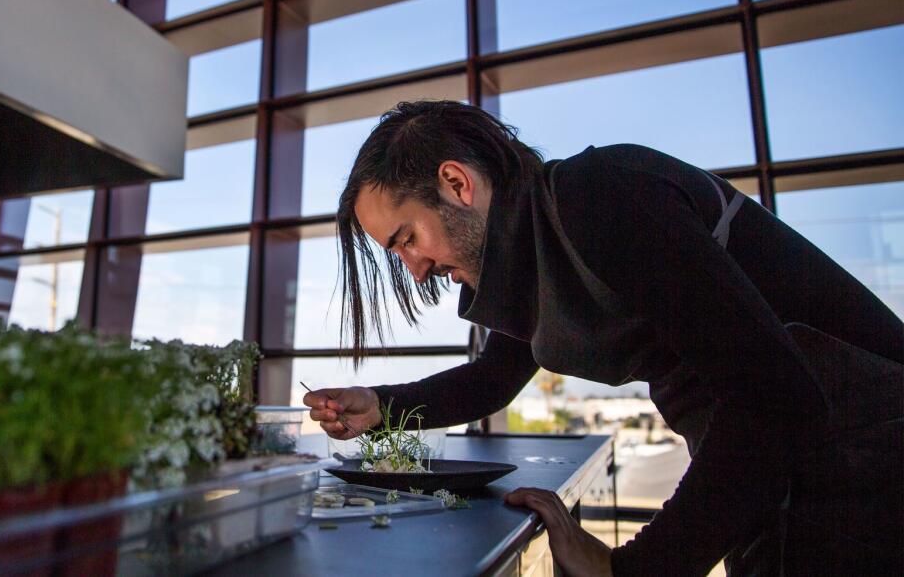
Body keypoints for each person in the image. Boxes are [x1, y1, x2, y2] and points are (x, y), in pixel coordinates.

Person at [302, 100, 903, 576]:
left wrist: (633, 569)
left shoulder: (602, 196)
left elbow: (775, 401)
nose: (415, 268)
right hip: (795, 470)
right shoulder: (543, 247)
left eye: (407, 238)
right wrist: (381, 406)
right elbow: (494, 377)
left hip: (862, 468)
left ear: (457, 183)